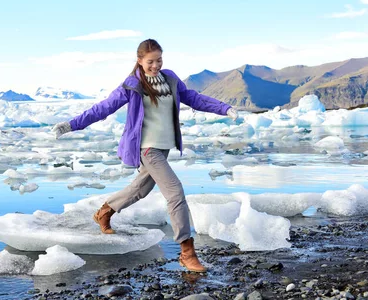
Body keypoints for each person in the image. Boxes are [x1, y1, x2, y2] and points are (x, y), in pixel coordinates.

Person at [52, 38, 238, 273]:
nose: (156, 65)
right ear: (139, 61)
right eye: (150, 61)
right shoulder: (132, 84)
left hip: (163, 146)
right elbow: (103, 108)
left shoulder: (169, 78)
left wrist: (225, 108)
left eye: (159, 59)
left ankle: (104, 212)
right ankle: (187, 251)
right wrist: (71, 125)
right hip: (147, 148)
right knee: (175, 192)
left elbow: (194, 98)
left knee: (140, 189)